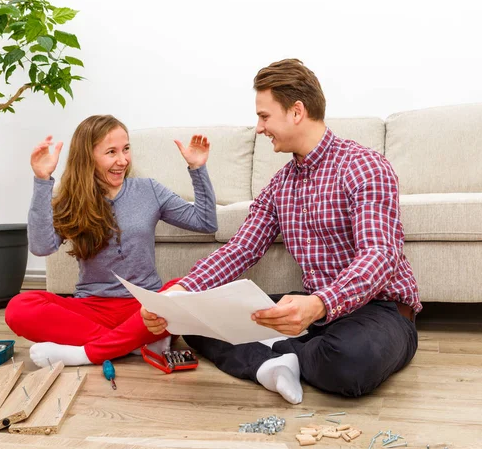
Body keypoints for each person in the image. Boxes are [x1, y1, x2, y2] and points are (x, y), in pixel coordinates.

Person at [142, 59, 420, 403]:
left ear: (297, 111)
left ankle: (274, 354)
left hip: (378, 310)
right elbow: (241, 249)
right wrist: (177, 297)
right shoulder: (280, 185)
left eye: (264, 116)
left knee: (350, 363)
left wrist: (318, 305)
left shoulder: (362, 166)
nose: (259, 128)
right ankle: (275, 366)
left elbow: (379, 256)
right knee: (197, 325)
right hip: (313, 311)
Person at [5, 115, 218, 367]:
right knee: (19, 307)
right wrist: (42, 181)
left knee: (188, 287)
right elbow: (42, 247)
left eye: (126, 149)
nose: (122, 160)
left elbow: (205, 223)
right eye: (111, 152)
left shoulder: (148, 189)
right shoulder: (72, 199)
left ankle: (86, 352)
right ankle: (132, 343)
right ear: (88, 157)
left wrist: (197, 169)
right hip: (92, 308)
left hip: (144, 310)